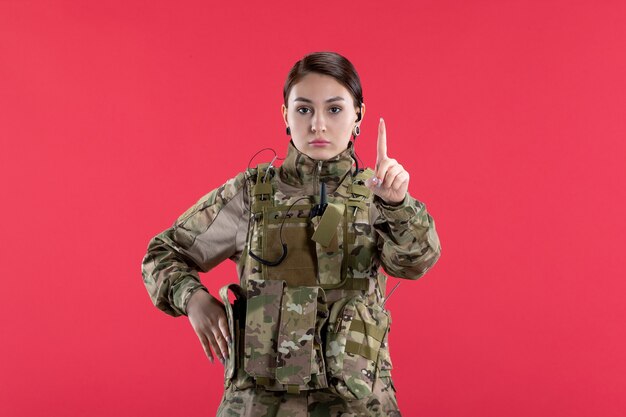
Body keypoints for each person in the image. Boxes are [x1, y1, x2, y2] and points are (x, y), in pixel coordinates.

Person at [141, 51, 441, 416]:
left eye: (334, 109)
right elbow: (162, 253)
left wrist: (398, 204)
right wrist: (193, 300)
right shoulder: (251, 195)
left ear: (357, 114)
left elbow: (416, 262)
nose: (317, 125)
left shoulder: (379, 195)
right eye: (303, 109)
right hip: (259, 405)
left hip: (357, 404)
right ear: (285, 114)